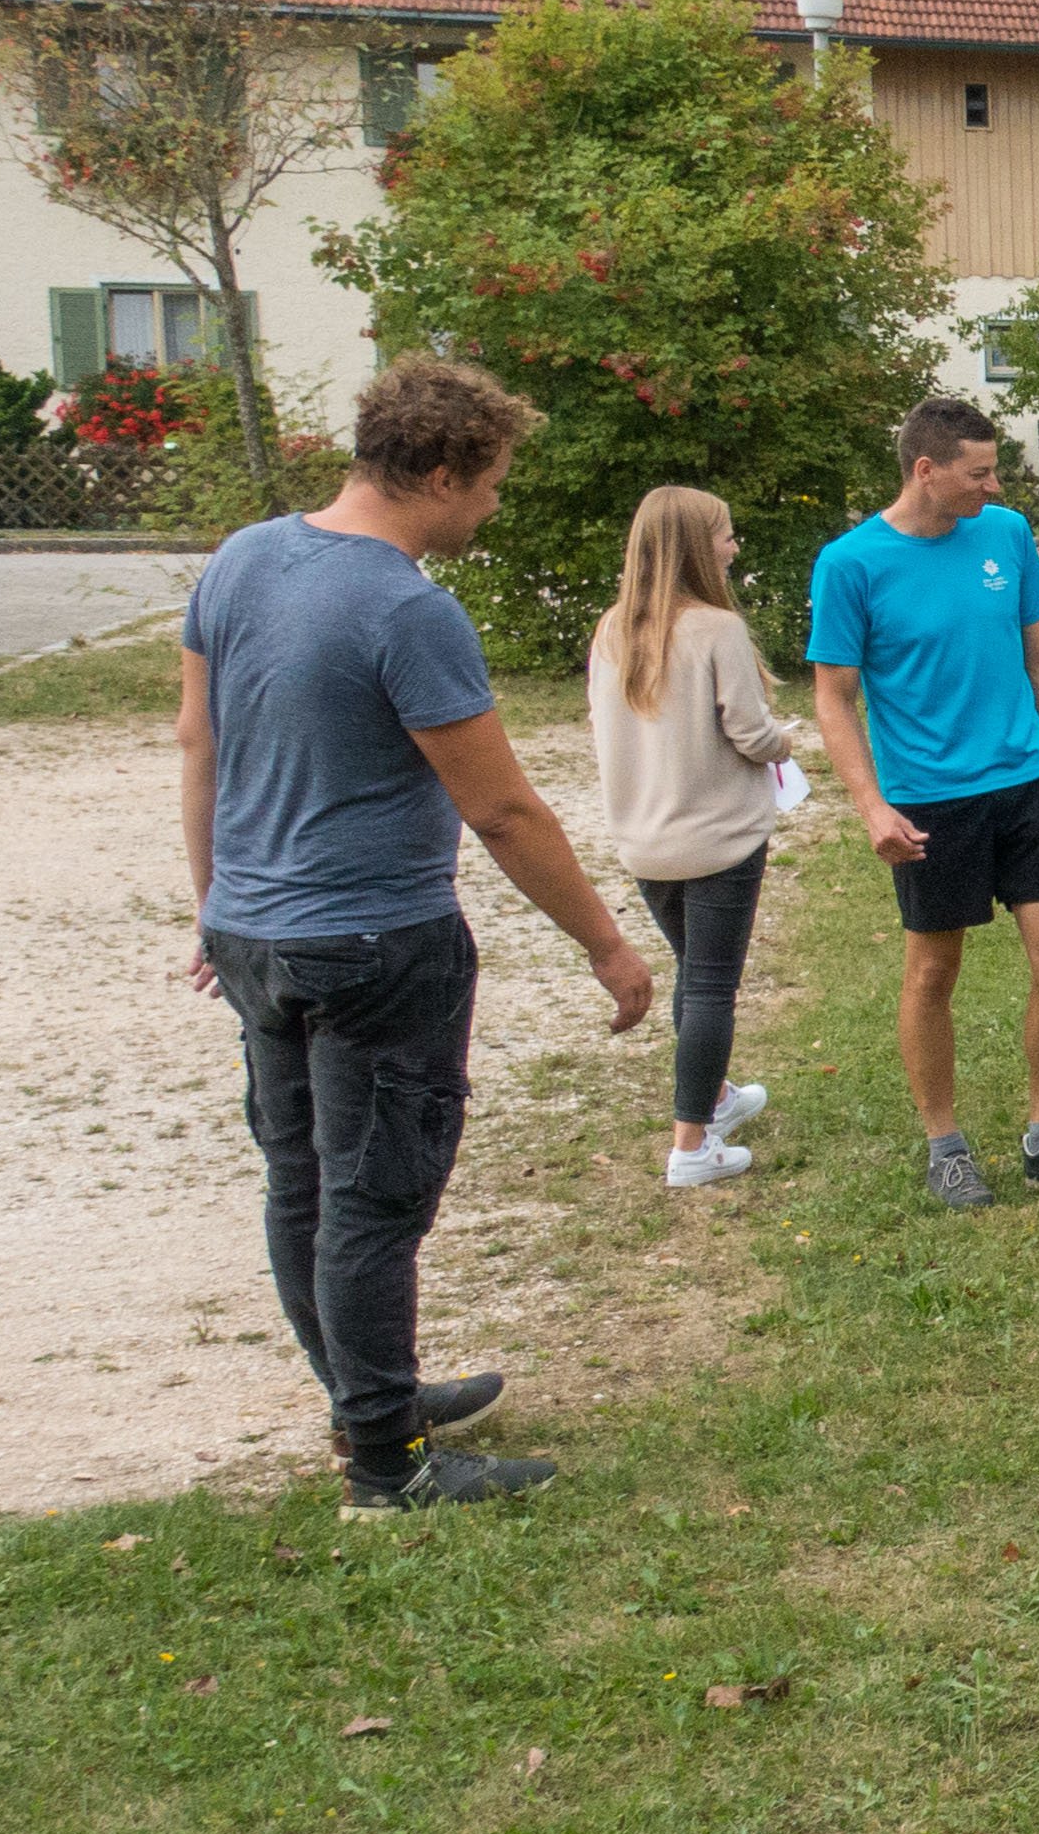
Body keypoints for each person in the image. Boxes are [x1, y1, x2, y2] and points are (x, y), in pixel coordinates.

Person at [177, 355, 655, 1514]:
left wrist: (217, 904)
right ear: (439, 473)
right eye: (489, 484)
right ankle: (388, 1467)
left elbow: (200, 742)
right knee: (373, 1201)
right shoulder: (406, 609)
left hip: (255, 936)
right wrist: (607, 944)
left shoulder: (242, 559)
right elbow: (501, 810)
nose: (492, 505)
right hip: (375, 946)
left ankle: (368, 1398)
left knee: (304, 1184)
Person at [808, 397, 1039, 1208]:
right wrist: (871, 805)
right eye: (979, 473)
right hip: (929, 799)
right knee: (933, 971)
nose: (995, 486)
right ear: (927, 470)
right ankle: (945, 1147)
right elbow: (834, 699)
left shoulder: (1005, 535)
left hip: (1025, 781)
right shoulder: (851, 564)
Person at [588, 483, 814, 1189]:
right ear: (695, 547)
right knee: (713, 984)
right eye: (725, 534)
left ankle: (713, 1095)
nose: (734, 546)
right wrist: (787, 741)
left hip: (644, 839)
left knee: (694, 969)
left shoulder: (610, 630)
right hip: (720, 837)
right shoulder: (718, 629)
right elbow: (749, 733)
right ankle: (691, 1145)